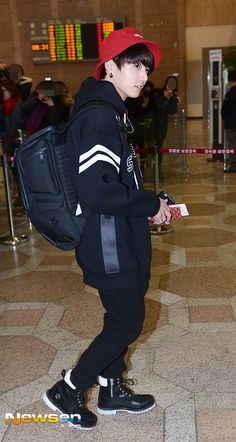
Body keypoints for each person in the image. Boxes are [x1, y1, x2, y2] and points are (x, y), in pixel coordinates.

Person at [43, 26, 171, 430]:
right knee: (127, 321)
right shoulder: (98, 116)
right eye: (133, 65)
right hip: (107, 240)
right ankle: (68, 388)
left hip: (119, 233)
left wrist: (150, 203)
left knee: (123, 312)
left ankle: (112, 389)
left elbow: (119, 180)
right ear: (109, 67)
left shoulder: (111, 109)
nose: (142, 76)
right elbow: (98, 193)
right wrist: (149, 203)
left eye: (145, 68)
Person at [221, 68, 236, 173]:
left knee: (231, 144)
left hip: (231, 124)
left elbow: (224, 110)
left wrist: (224, 117)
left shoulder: (229, 95)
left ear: (230, 81)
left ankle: (234, 165)